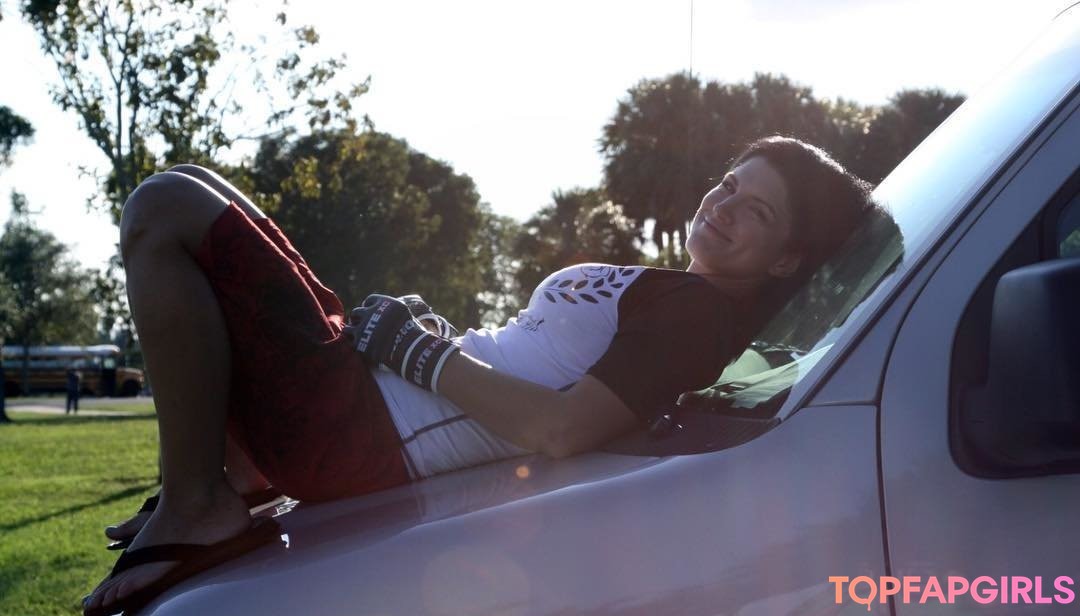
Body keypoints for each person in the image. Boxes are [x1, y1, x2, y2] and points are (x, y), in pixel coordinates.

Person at [82, 136, 876, 615]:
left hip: (364, 431)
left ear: (787, 260)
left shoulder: (699, 315)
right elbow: (531, 360)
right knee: (198, 189)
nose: (724, 206)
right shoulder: (678, 293)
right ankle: (226, 473)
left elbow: (559, 428)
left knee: (166, 205)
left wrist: (418, 352)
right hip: (369, 401)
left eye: (757, 211)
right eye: (730, 183)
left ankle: (197, 501)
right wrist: (428, 339)